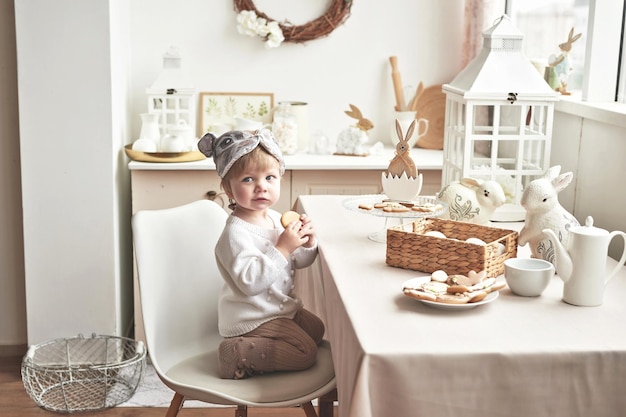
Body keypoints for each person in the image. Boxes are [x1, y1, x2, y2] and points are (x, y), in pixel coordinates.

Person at [197, 128, 324, 379]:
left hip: (280, 309)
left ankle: (269, 345)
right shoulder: (235, 234)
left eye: (269, 178)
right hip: (255, 317)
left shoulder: (276, 219)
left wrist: (306, 243)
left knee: (317, 329)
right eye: (248, 180)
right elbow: (250, 283)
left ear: (280, 179)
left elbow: (299, 261)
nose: (261, 187)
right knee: (305, 353)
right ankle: (236, 352)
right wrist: (284, 247)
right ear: (229, 189)